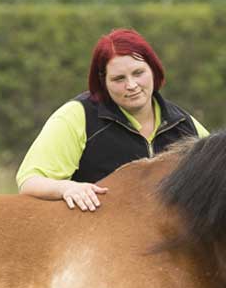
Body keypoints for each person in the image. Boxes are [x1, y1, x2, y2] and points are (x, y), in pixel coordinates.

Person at [16, 28, 209, 211]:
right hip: (91, 240)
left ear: (154, 70)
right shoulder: (76, 116)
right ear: (103, 82)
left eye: (138, 73)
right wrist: (66, 188)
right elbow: (29, 181)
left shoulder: (185, 124)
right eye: (119, 79)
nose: (131, 85)